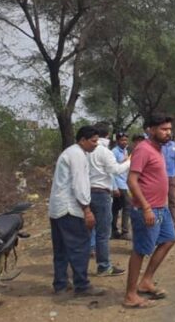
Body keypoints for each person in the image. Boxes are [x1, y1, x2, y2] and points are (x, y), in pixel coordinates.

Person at [123, 114, 175, 309]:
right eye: (163, 129)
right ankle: (130, 295)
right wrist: (146, 207)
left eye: (169, 129)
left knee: (169, 239)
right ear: (151, 129)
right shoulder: (143, 149)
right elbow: (132, 180)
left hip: (161, 207)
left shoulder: (159, 149)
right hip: (147, 209)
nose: (168, 133)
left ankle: (146, 280)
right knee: (140, 251)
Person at [48, 125, 105, 297]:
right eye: (94, 141)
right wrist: (87, 210)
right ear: (83, 140)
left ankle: (61, 285)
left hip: (57, 209)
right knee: (80, 248)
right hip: (70, 209)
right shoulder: (77, 155)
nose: (96, 145)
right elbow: (79, 185)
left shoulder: (70, 152)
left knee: (61, 250)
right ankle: (82, 285)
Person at [87, 123, 129, 277]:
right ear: (108, 135)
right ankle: (104, 266)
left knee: (89, 227)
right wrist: (130, 161)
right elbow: (116, 170)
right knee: (103, 232)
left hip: (86, 193)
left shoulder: (84, 151)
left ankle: (88, 255)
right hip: (101, 192)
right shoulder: (105, 151)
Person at [111, 132, 132, 240]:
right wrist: (114, 187)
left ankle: (113, 230)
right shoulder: (114, 152)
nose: (124, 142)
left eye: (126, 140)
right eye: (122, 140)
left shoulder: (125, 151)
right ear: (117, 141)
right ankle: (124, 231)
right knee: (127, 206)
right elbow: (112, 171)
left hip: (124, 182)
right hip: (119, 184)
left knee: (116, 207)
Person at [161, 138, 175, 231]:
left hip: (172, 176)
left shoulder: (173, 145)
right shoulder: (158, 145)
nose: (167, 134)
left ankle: (173, 223)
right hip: (160, 177)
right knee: (161, 201)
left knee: (172, 200)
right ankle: (162, 225)